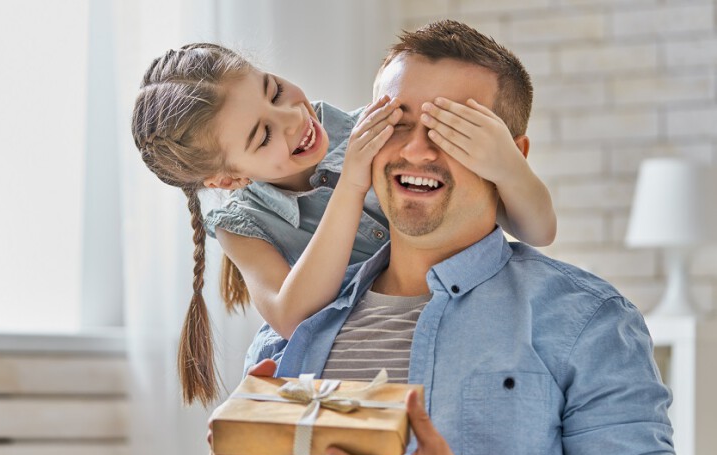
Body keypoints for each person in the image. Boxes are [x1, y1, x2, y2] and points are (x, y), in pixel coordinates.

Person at [207, 20, 687, 455]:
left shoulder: (584, 323)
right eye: (396, 122)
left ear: (510, 156)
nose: (416, 150)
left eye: (453, 129)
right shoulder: (287, 339)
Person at [131, 43, 557, 405]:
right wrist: (352, 183)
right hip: (356, 361)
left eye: (275, 91)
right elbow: (291, 315)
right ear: (228, 179)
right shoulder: (239, 222)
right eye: (263, 136)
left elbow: (538, 232)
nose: (292, 119)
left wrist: (507, 165)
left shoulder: (376, 128)